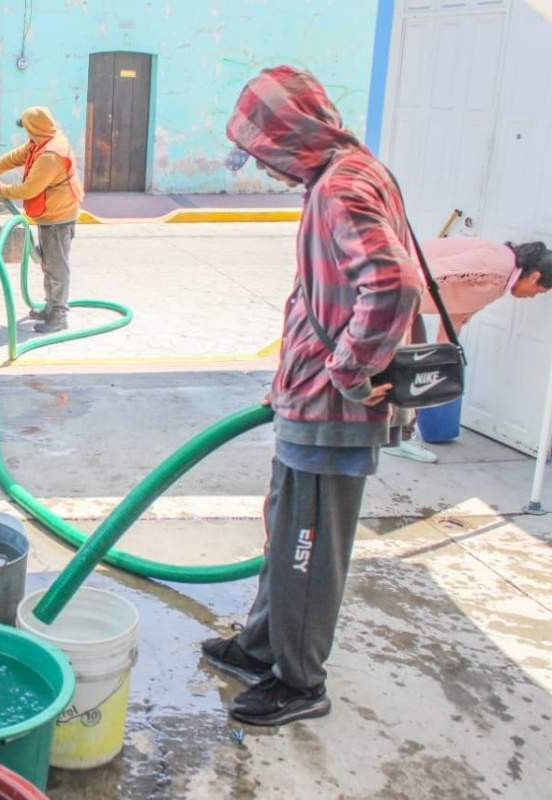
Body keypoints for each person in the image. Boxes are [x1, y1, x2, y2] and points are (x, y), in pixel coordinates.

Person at [204, 66, 423, 726]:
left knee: (307, 549)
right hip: (308, 399)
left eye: (265, 150)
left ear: (289, 134)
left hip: (333, 413)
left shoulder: (341, 189)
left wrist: (349, 373)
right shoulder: (347, 170)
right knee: (286, 533)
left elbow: (391, 284)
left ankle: (299, 683)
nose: (264, 167)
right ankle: (263, 645)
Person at [384, 237, 552, 462]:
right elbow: (434, 272)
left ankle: (397, 437)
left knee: (417, 369)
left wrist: (446, 355)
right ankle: (392, 437)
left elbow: (454, 313)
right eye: (539, 291)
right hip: (394, 294)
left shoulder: (501, 279)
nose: (532, 296)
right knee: (405, 369)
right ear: (534, 276)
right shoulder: (499, 263)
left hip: (405, 302)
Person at [0, 106, 84, 334]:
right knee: (48, 263)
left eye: (26, 128)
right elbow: (16, 156)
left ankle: (58, 316)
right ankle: (50, 307)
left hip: (59, 217)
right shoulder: (41, 141)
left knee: (56, 266)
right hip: (51, 213)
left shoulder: (50, 155)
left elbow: (28, 190)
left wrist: (1, 188)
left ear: (33, 128)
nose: (25, 132)